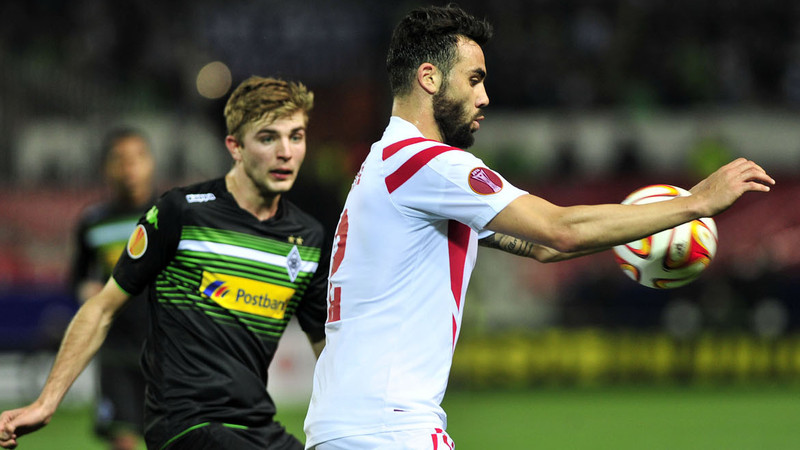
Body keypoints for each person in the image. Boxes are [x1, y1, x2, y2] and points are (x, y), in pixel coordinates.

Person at [303, 5, 774, 449]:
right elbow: (559, 228)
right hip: (389, 427)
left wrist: (641, 230)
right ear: (429, 78)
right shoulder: (426, 164)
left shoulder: (383, 166)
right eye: (474, 79)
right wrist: (695, 204)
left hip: (345, 424)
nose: (484, 97)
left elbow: (547, 247)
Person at [1, 76, 329, 450]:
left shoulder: (309, 238)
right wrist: (45, 404)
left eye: (296, 137)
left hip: (257, 427)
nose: (285, 151)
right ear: (235, 147)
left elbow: (323, 343)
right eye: (268, 138)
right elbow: (102, 307)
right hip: (185, 425)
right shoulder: (182, 213)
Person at [71, 128, 156, 450]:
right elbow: (78, 277)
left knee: (169, 438)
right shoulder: (93, 222)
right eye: (119, 159)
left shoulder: (170, 214)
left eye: (137, 158)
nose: (128, 167)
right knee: (122, 440)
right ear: (106, 167)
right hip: (114, 350)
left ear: (150, 163)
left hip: (165, 350)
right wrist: (85, 290)